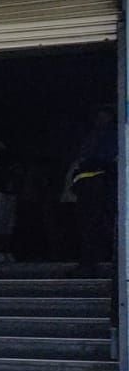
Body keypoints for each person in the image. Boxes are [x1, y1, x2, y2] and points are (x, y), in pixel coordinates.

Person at [74, 106, 118, 270]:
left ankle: (98, 259)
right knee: (90, 223)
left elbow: (104, 159)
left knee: (101, 222)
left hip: (102, 184)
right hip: (89, 186)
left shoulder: (112, 135)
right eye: (97, 116)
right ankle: (89, 260)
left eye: (102, 116)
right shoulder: (93, 135)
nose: (99, 120)